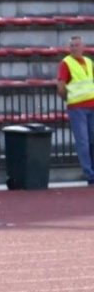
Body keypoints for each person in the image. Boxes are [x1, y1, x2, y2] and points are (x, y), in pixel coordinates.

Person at [56, 35, 94, 184]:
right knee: (83, 142)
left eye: (77, 45)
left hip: (91, 106)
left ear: (83, 47)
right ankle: (90, 174)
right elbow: (61, 86)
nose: (74, 48)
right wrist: (69, 99)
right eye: (72, 45)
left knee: (90, 141)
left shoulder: (89, 62)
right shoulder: (66, 63)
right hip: (77, 107)